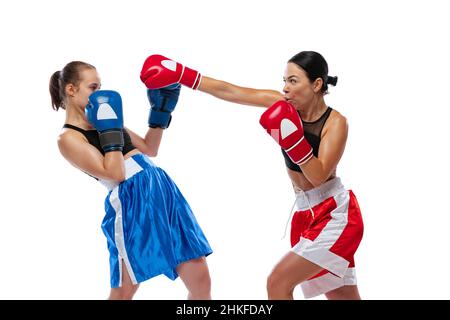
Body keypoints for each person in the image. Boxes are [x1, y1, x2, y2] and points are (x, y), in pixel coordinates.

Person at [140, 51, 364, 300]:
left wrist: (294, 143)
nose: (285, 88)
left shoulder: (336, 123)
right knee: (342, 295)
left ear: (317, 84)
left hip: (334, 216)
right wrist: (184, 74)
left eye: (293, 81)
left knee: (278, 282)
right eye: (285, 81)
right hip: (305, 215)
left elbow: (319, 177)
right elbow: (230, 91)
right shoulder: (282, 104)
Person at [49, 61, 212, 300]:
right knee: (124, 290)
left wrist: (160, 112)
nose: (100, 93)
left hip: (160, 186)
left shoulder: (104, 117)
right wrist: (110, 129)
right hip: (131, 199)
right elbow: (116, 173)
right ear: (71, 90)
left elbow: (149, 148)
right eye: (93, 87)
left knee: (200, 278)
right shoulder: (68, 138)